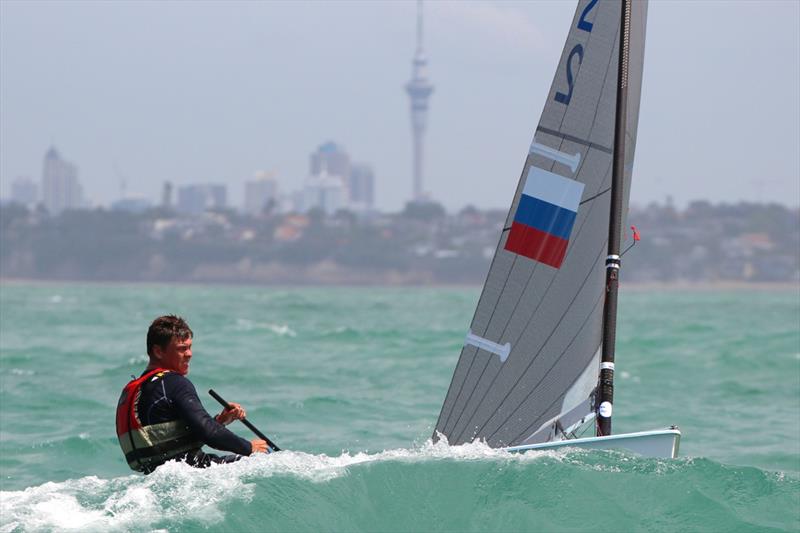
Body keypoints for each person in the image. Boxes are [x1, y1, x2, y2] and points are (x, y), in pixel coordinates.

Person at [116, 315, 268, 473]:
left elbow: (169, 445)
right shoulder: (174, 382)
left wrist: (220, 421)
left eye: (190, 347)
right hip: (193, 470)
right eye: (182, 348)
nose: (189, 354)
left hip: (158, 477)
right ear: (158, 351)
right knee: (265, 463)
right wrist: (249, 447)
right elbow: (208, 433)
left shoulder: (136, 391)